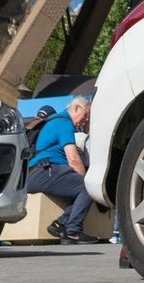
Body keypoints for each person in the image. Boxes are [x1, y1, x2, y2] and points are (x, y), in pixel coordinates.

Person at [28, 95, 95, 244]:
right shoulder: (64, 123)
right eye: (87, 114)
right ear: (77, 108)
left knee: (82, 188)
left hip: (36, 172)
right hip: (45, 171)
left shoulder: (54, 122)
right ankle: (73, 230)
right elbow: (73, 159)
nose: (86, 120)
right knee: (89, 188)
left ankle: (60, 225)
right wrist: (84, 179)